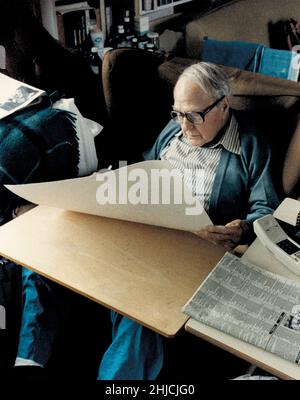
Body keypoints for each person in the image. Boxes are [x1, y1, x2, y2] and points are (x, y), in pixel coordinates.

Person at [13, 62, 279, 380]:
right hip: (143, 228)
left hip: (186, 251)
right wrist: (112, 181)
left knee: (139, 312)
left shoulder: (253, 145)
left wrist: (240, 228)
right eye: (177, 113)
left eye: (194, 115)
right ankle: (28, 362)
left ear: (223, 104)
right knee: (48, 255)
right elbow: (147, 167)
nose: (184, 126)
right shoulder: (174, 130)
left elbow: (267, 208)